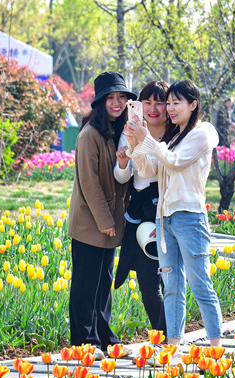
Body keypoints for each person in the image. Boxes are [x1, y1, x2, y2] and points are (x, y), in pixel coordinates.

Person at [126, 79, 222, 350]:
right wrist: (136, 144)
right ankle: (172, 347)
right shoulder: (173, 137)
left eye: (175, 102)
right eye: (168, 103)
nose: (169, 108)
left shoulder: (203, 133)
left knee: (200, 284)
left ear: (193, 105)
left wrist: (148, 140)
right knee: (171, 286)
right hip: (164, 218)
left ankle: (216, 348)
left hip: (190, 218)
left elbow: (176, 162)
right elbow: (149, 170)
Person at [67, 71, 135, 358]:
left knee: (104, 283)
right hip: (90, 223)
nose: (117, 102)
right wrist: (105, 221)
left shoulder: (117, 132)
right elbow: (89, 183)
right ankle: (84, 341)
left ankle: (105, 337)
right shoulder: (90, 135)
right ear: (100, 102)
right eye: (111, 98)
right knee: (86, 284)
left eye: (122, 97)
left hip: (109, 222)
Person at [113, 81, 170, 337]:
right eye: (147, 102)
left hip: (165, 209)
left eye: (160, 102)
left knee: (170, 281)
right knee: (147, 282)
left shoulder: (174, 133)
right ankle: (161, 335)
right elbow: (122, 177)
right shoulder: (130, 131)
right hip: (139, 213)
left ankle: (169, 335)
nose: (153, 108)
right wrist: (123, 163)